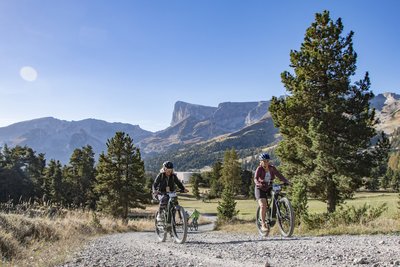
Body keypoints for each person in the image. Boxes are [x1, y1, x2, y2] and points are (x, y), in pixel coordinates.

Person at [254, 153, 289, 232]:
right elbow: (255, 179)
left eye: (267, 161)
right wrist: (258, 183)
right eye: (264, 161)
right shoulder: (259, 169)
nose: (266, 162)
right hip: (260, 188)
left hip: (269, 187)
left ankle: (275, 213)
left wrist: (286, 181)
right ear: (261, 162)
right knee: (263, 205)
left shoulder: (272, 168)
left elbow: (279, 175)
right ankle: (263, 225)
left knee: (277, 194)